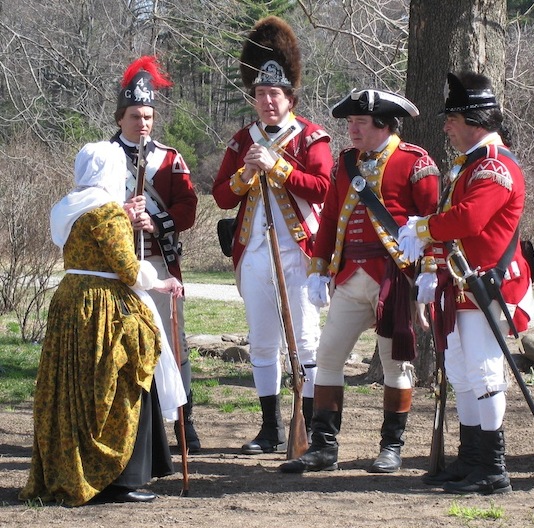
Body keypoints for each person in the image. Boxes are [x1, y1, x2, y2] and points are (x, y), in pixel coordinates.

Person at [279, 88, 439, 474]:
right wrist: (319, 270)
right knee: (329, 356)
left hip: (394, 278)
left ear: (382, 124)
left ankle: (391, 448)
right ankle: (323, 447)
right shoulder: (345, 163)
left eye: (360, 123)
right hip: (350, 274)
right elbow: (331, 217)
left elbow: (433, 221)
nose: (351, 130)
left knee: (394, 363)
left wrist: (430, 272)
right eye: (350, 122)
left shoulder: (415, 162)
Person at [19, 141, 185, 506]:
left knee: (75, 387)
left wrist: (122, 218)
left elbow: (95, 242)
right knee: (119, 378)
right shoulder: (107, 212)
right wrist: (161, 282)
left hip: (70, 301)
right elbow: (126, 269)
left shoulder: (71, 207)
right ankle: (116, 478)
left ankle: (73, 468)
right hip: (103, 306)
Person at [397, 71, 534, 495]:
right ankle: (471, 457)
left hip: (485, 285)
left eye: (451, 118)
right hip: (460, 284)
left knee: (484, 370)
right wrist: (429, 273)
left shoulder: (494, 166)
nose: (445, 126)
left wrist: (423, 228)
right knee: (461, 370)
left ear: (474, 119)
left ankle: (492, 466)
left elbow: (469, 220)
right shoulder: (472, 164)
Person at [212, 16, 333, 454]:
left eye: (274, 94)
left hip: (298, 252)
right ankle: (270, 426)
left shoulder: (312, 137)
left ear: (290, 97)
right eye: (261, 94)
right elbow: (223, 196)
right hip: (255, 252)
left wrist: (278, 167)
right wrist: (248, 171)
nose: (267, 101)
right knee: (262, 341)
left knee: (304, 340)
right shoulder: (241, 139)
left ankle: (312, 423)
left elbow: (323, 187)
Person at [111, 56, 201, 453]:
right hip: (116, 265)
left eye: (148, 116)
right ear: (120, 118)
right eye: (135, 116)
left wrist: (156, 220)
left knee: (173, 342)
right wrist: (120, 215)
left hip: (160, 261)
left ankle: (184, 423)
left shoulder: (169, 157)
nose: (143, 123)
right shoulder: (104, 157)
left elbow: (189, 207)